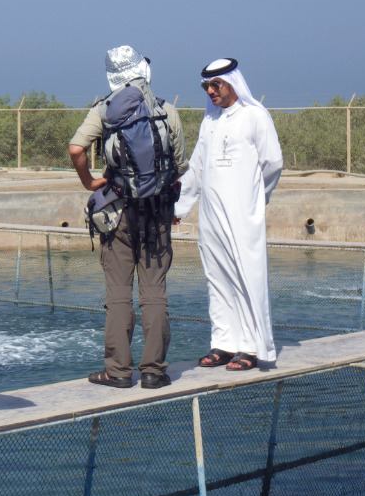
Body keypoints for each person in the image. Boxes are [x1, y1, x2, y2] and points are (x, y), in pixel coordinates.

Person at [69, 46, 188, 389]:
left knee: (118, 291)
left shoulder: (103, 110)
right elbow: (179, 168)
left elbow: (76, 148)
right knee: (154, 291)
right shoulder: (168, 111)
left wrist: (90, 182)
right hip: (158, 214)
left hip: (118, 213)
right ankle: (154, 371)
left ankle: (118, 371)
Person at [174, 58, 283, 371]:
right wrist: (179, 208)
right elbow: (197, 167)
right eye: (206, 86)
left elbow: (273, 163)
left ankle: (250, 347)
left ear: (232, 83)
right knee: (217, 277)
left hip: (242, 215)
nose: (210, 91)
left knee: (246, 277)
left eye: (216, 85)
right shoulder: (211, 119)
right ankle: (224, 343)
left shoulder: (254, 116)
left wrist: (254, 200)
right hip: (211, 216)